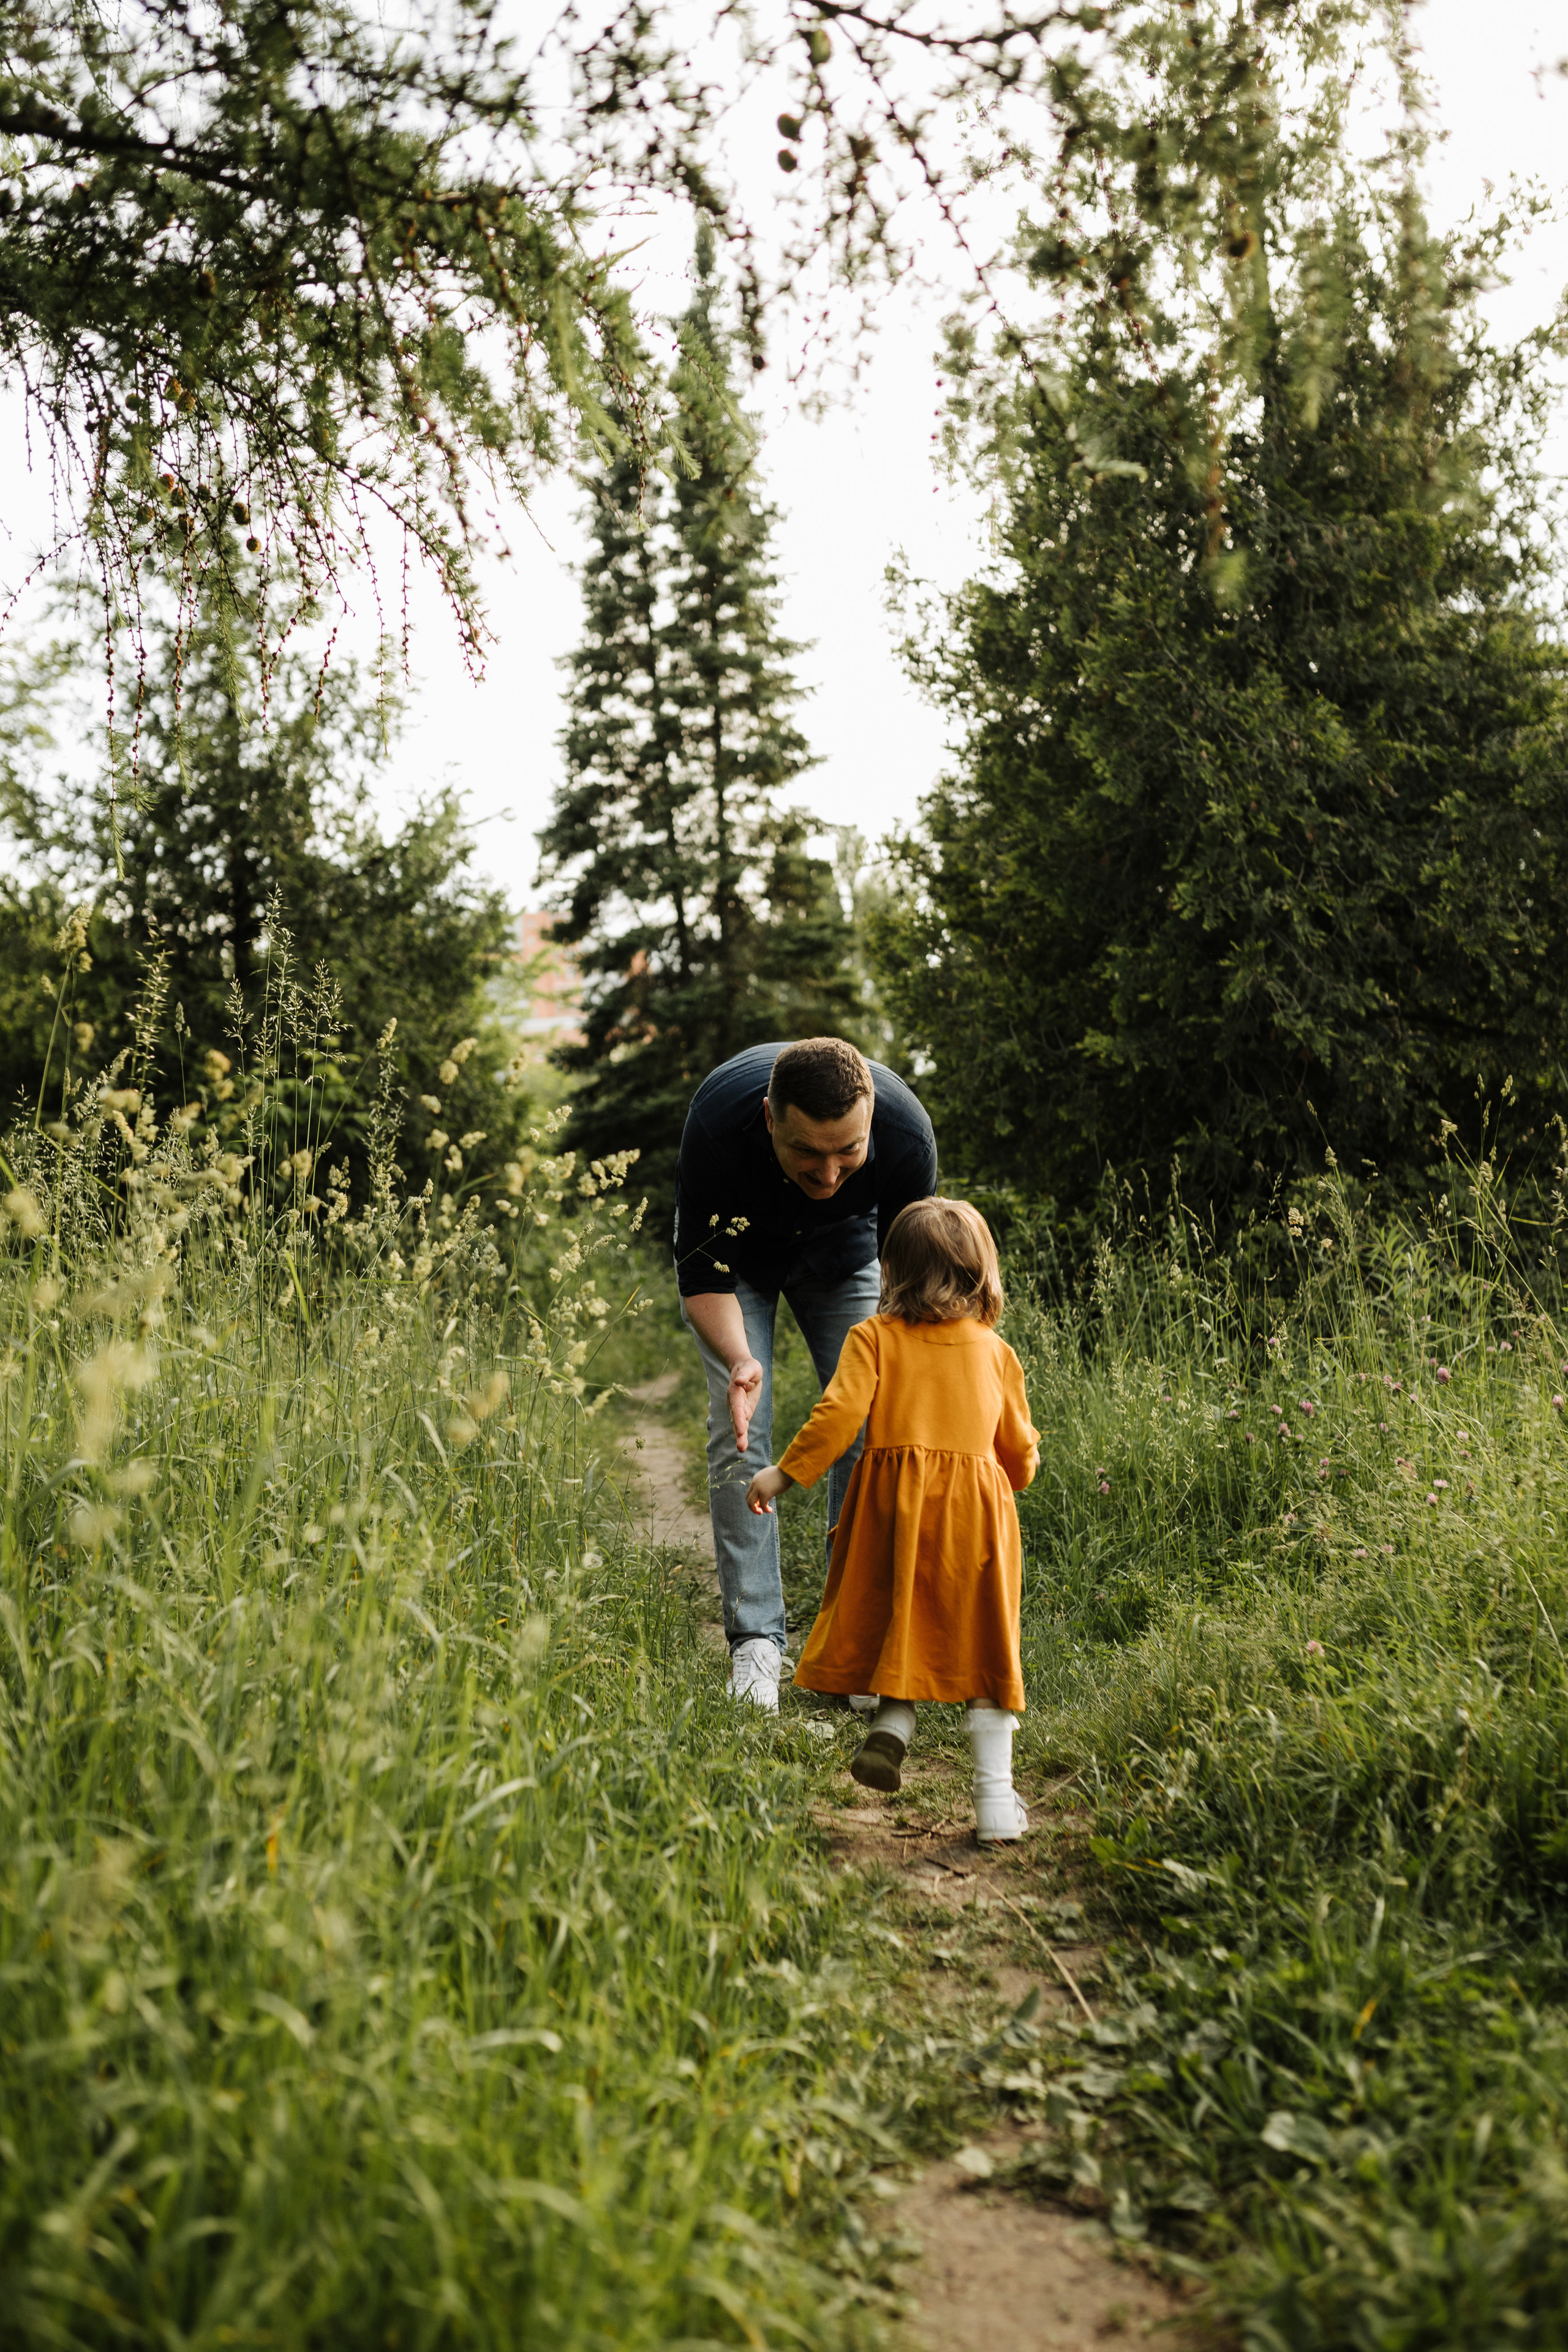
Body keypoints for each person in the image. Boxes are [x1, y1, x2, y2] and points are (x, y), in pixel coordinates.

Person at [744, 1197, 1038, 1844]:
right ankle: (994, 1807)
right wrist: (1013, 1474)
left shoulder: (872, 1337)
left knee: (900, 1609)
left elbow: (837, 1417)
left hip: (892, 1509)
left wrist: (784, 1473)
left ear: (890, 1270)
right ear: (980, 1273)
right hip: (977, 1516)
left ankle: (893, 1725)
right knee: (984, 1641)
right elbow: (1017, 1454)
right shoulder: (996, 1352)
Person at [676, 1036, 938, 1712]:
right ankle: (756, 1641)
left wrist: (890, 1370)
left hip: (848, 1254)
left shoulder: (907, 1135)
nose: (826, 1175)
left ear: (873, 1117)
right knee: (742, 1433)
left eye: (846, 1152)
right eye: (807, 1153)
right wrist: (740, 1360)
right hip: (740, 1267)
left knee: (871, 1423)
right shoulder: (716, 1124)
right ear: (770, 1119)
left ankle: (852, 1638)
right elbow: (703, 1274)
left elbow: (905, 1274)